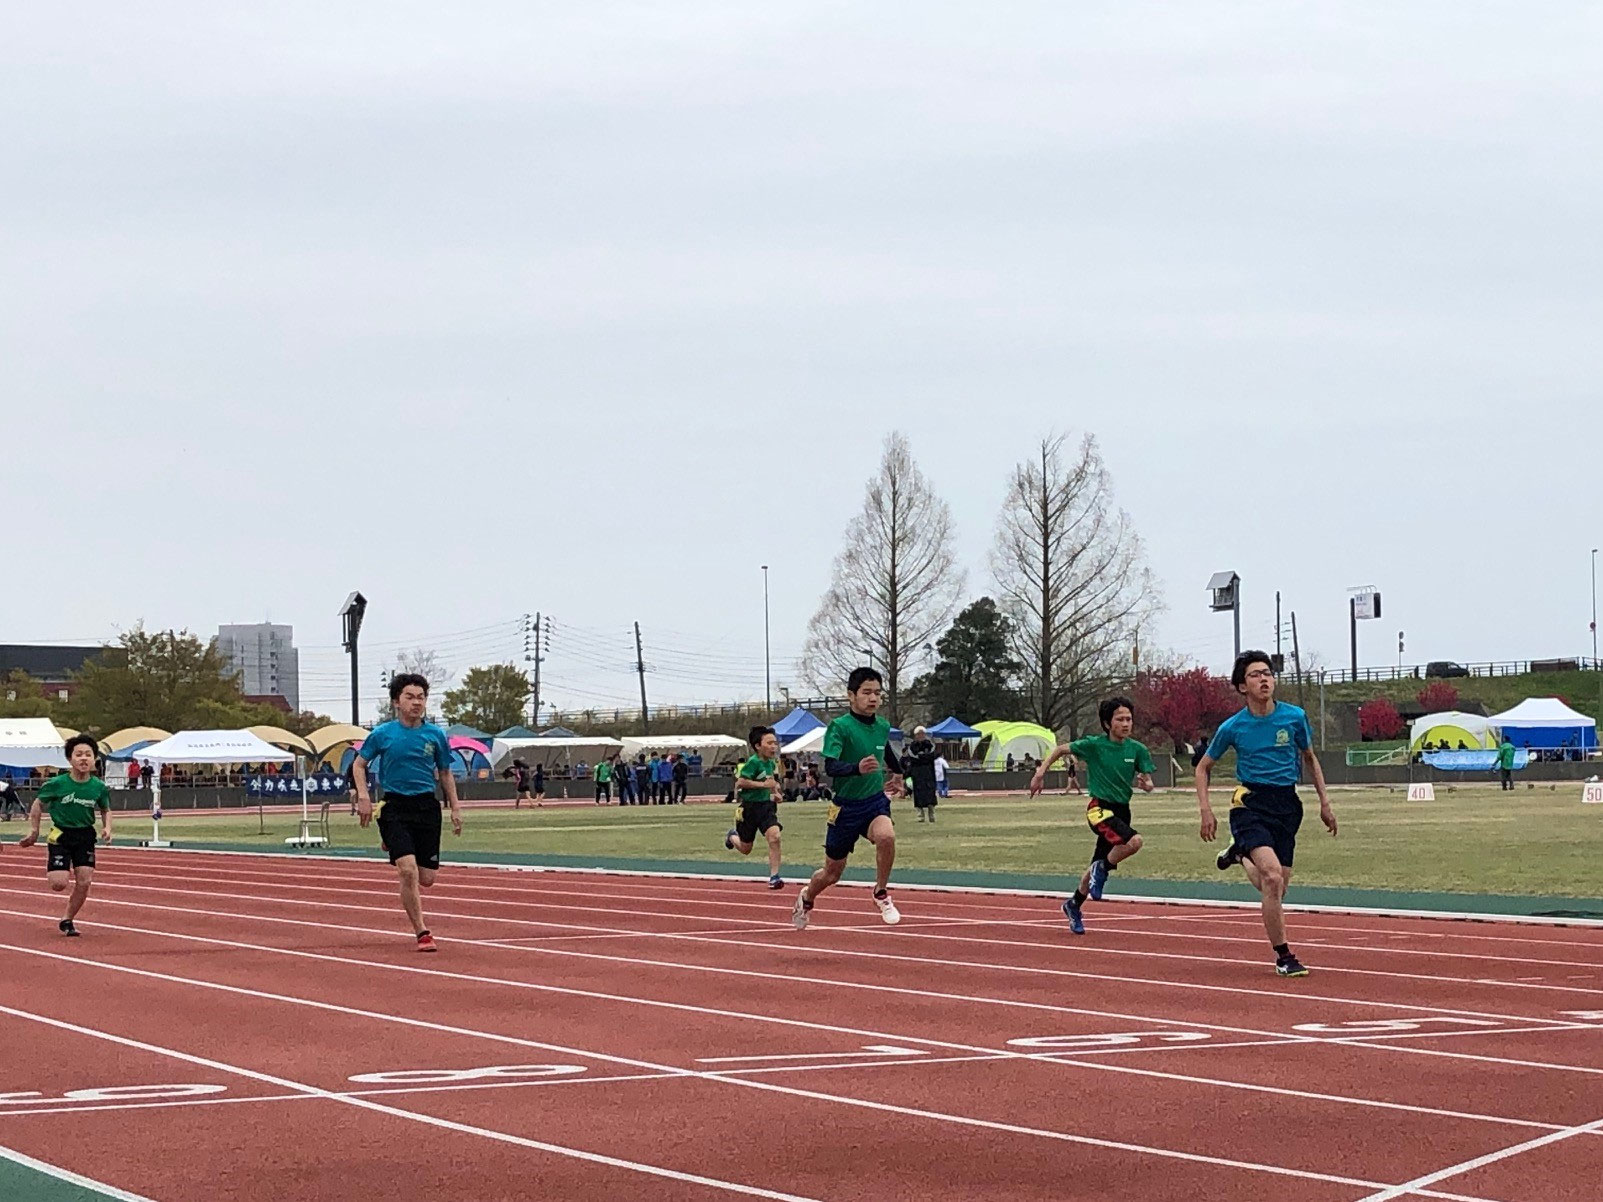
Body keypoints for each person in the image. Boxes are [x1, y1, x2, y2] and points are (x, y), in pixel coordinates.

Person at [1194, 650, 1337, 979]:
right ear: (1242, 686)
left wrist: (1325, 803)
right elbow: (1203, 768)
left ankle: (1238, 853)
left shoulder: (1294, 717)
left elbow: (1310, 758)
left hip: (1287, 805)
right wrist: (1206, 810)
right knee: (1271, 877)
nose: (1264, 679)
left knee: (1277, 887)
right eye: (1256, 675)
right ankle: (1284, 956)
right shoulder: (1233, 727)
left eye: (1268, 673)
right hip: (1250, 804)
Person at [351, 674, 463, 952]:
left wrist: (456, 807)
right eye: (409, 697)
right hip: (395, 806)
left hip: (426, 806)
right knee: (408, 871)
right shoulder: (383, 734)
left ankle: (393, 842)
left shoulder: (435, 735)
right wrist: (364, 797)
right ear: (396, 702)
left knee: (427, 879)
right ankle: (422, 932)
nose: (416, 702)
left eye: (421, 697)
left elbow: (445, 773)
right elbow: (359, 765)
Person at [1029, 697, 1155, 935]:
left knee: (1093, 869)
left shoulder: (1137, 750)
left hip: (1122, 810)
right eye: (1120, 719)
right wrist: (1039, 773)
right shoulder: (1094, 745)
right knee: (1134, 841)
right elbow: (1059, 749)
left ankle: (1074, 904)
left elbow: (1149, 781)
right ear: (1108, 724)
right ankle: (1103, 868)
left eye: (1129, 719)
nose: (1126, 724)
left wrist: (1146, 784)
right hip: (1099, 808)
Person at [792, 667, 904, 929]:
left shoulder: (882, 726)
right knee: (831, 873)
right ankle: (807, 897)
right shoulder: (839, 727)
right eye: (866, 692)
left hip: (874, 801)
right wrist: (856, 768)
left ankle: (881, 892)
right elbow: (829, 767)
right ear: (851, 695)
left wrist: (898, 772)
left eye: (877, 693)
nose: (873, 698)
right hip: (845, 808)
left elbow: (884, 750)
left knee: (886, 836)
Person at [16, 735, 113, 936]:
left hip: (85, 835)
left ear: (95, 758)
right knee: (58, 884)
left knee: (85, 881)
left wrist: (107, 828)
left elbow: (105, 809)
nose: (84, 759)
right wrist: (34, 830)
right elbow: (37, 804)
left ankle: (67, 919)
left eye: (89, 754)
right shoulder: (57, 784)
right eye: (79, 755)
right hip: (61, 834)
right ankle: (57, 865)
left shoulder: (98, 787)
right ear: (70, 759)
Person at [725, 725, 786, 889]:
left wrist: (776, 792)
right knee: (745, 848)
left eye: (775, 743)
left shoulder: (772, 762)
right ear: (758, 746)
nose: (774, 747)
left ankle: (774, 876)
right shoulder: (753, 762)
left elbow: (771, 781)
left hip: (766, 807)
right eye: (770, 743)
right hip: (749, 808)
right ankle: (732, 836)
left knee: (775, 837)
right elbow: (740, 783)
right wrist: (762, 785)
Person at [904, 727, 939, 822]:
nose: (921, 736)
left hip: (929, 773)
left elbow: (932, 756)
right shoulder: (912, 746)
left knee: (930, 793)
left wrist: (921, 757)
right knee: (918, 794)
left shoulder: (930, 745)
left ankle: (931, 814)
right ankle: (920, 815)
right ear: (915, 736)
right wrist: (924, 757)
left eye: (922, 733)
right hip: (917, 774)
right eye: (918, 734)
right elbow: (913, 758)